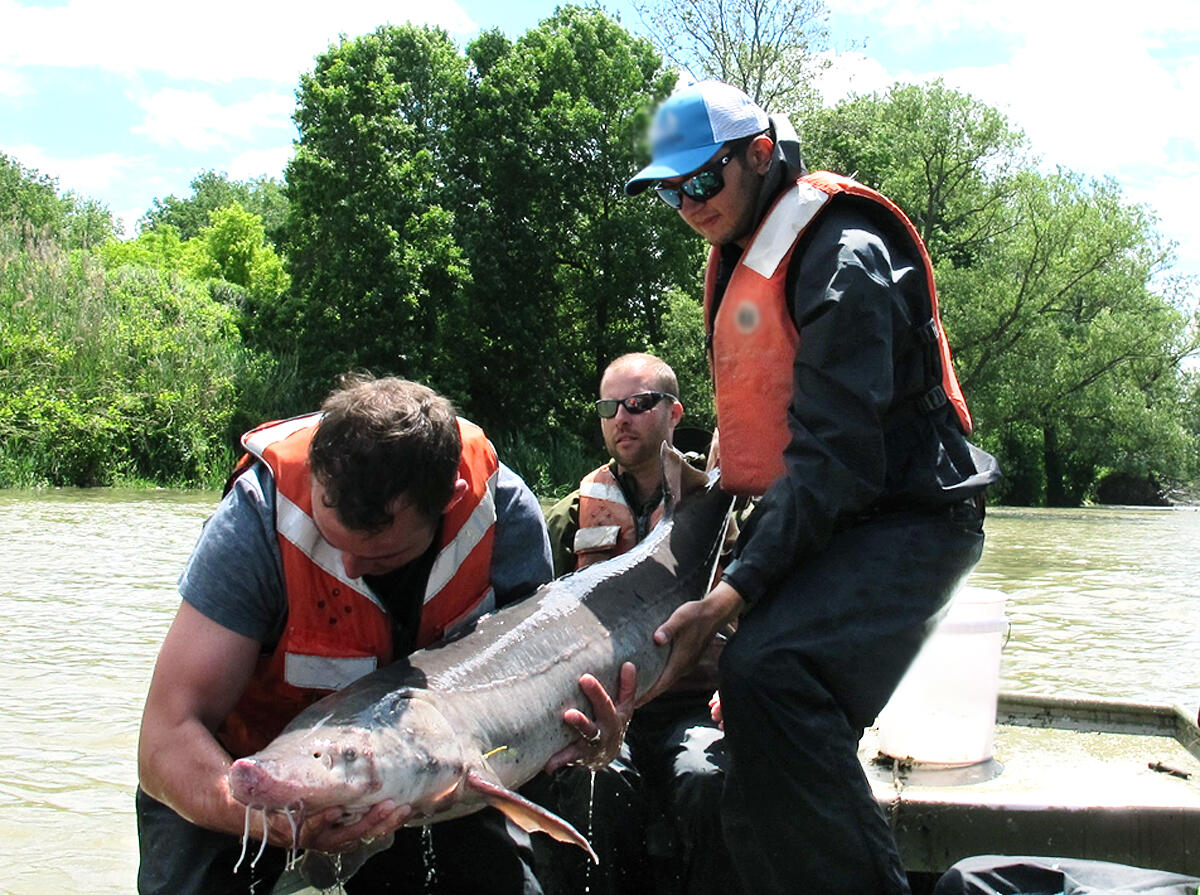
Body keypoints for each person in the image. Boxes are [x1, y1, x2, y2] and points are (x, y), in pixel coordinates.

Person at [618, 80, 1003, 894]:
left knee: (771, 672)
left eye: (701, 180)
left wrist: (734, 596)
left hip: (913, 515)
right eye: (669, 190)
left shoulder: (844, 254)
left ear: (760, 156)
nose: (688, 203)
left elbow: (839, 459)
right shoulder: (744, 250)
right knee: (752, 698)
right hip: (840, 517)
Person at [136, 375, 556, 895]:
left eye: (380, 557)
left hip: (429, 778)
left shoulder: (504, 514)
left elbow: (541, 676)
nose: (351, 568)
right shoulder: (255, 519)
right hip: (242, 779)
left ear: (450, 499)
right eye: (332, 541)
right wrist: (279, 822)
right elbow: (164, 740)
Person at [531, 352, 737, 895]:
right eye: (608, 406)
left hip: (694, 703)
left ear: (673, 412)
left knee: (707, 780)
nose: (621, 417)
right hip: (598, 710)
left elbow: (773, 606)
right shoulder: (571, 513)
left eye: (638, 404)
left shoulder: (728, 501)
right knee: (588, 784)